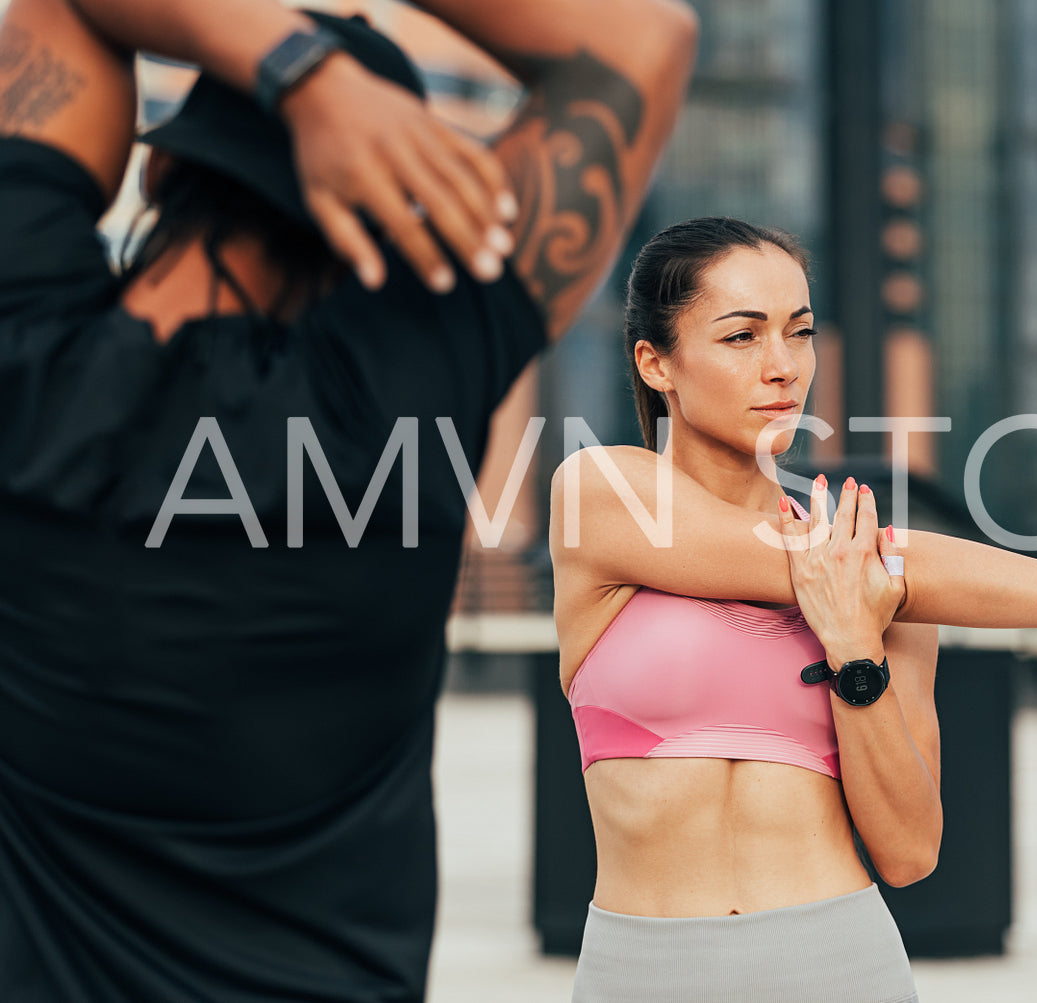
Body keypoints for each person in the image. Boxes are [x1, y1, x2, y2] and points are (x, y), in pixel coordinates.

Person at [0, 0, 696, 1000]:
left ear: (158, 170)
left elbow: (62, 13)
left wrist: (297, 70)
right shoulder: (399, 401)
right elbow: (644, 38)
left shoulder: (24, 366)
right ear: (389, 228)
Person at [550, 217, 1037, 1001]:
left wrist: (855, 656)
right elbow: (857, 560)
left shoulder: (896, 586)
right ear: (656, 362)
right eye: (741, 336)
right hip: (640, 972)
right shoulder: (600, 493)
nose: (783, 366)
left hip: (838, 964)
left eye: (800, 332)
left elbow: (910, 851)